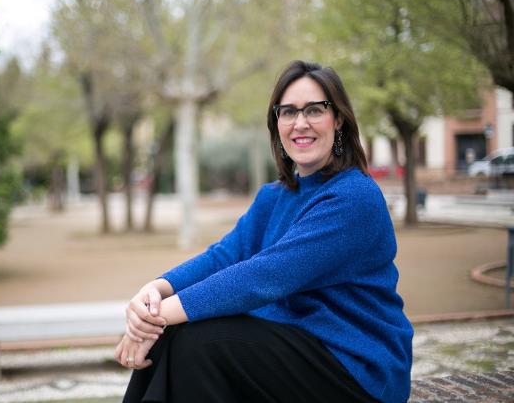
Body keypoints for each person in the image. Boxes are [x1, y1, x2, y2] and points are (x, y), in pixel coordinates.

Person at [114, 60, 413, 403]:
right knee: (180, 333)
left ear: (339, 119)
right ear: (277, 124)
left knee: (200, 343)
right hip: (299, 347)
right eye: (287, 112)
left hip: (358, 368)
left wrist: (152, 320)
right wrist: (156, 289)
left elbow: (265, 276)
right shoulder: (275, 196)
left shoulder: (353, 198)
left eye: (315, 110)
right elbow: (225, 256)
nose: (300, 123)